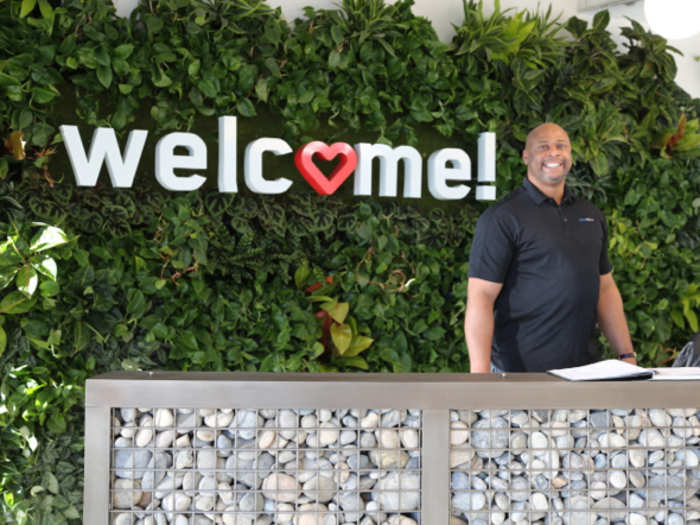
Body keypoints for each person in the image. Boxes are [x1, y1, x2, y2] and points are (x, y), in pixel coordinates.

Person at [464, 122, 636, 373]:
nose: (554, 153)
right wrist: (479, 376)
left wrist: (627, 355)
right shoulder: (503, 217)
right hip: (520, 373)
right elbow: (481, 297)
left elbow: (606, 289)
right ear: (526, 156)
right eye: (543, 147)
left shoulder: (590, 214)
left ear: (570, 155)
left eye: (561, 146)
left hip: (584, 371)